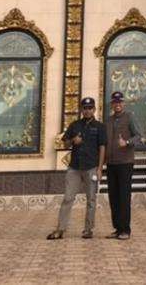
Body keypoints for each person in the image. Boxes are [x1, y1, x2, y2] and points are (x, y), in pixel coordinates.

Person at [48, 96, 105, 240]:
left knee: (91, 199)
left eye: (90, 108)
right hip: (74, 168)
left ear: (94, 109)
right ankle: (60, 229)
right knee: (68, 198)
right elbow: (65, 144)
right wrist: (74, 140)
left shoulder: (99, 127)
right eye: (85, 108)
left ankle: (88, 229)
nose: (87, 111)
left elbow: (102, 147)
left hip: (91, 167)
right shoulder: (74, 125)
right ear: (81, 110)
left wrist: (100, 168)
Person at [104, 90, 142, 240]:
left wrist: (126, 143)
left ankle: (125, 229)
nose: (117, 104)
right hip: (111, 163)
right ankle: (117, 228)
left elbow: (139, 136)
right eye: (115, 102)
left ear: (123, 103)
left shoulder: (129, 117)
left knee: (124, 196)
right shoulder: (108, 120)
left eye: (120, 102)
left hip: (125, 163)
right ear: (112, 104)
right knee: (113, 196)